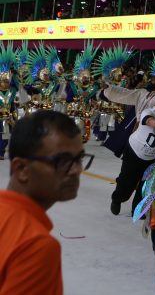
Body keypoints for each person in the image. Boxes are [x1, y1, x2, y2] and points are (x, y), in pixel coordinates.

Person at [0, 111, 88, 295]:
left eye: (78, 159)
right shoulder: (35, 246)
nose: (76, 170)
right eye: (62, 161)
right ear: (22, 168)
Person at [110, 99, 155, 216]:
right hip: (134, 152)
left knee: (147, 184)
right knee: (127, 182)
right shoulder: (148, 112)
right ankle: (117, 199)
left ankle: (138, 209)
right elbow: (149, 121)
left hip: (154, 156)